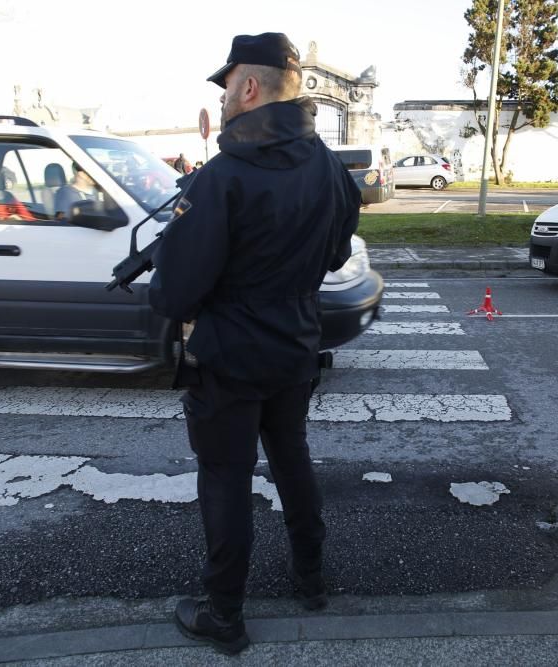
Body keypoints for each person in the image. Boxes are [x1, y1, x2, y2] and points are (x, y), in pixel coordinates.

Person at [147, 32, 361, 655]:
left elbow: (174, 294)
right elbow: (338, 250)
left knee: (226, 479)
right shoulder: (328, 167)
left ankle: (225, 616)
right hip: (295, 346)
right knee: (292, 459)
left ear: (248, 87)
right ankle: (311, 578)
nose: (225, 99)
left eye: (227, 86)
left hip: (230, 359)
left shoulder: (222, 177)